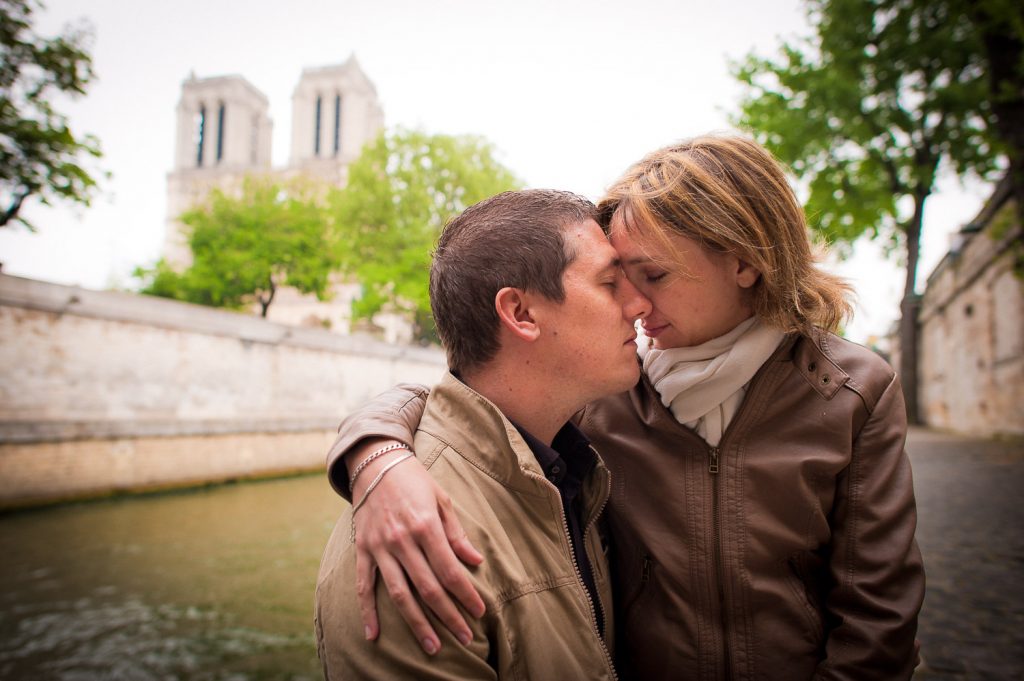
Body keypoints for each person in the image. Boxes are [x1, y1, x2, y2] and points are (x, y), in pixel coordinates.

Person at [327, 134, 926, 680]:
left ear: (744, 261)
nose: (636, 304)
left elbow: (878, 619)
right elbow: (470, 399)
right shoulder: (606, 392)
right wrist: (377, 453)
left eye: (654, 275)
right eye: (617, 280)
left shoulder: (849, 390)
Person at [314, 189, 651, 679]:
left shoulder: (570, 460)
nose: (639, 304)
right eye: (609, 283)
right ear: (520, 314)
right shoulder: (414, 542)